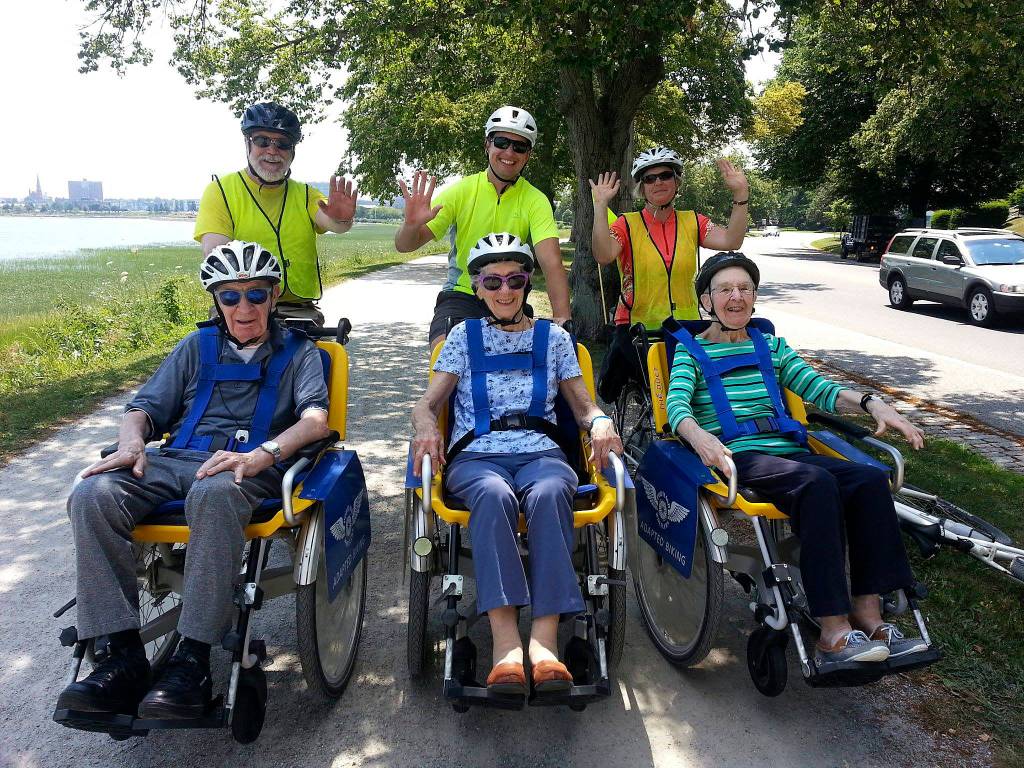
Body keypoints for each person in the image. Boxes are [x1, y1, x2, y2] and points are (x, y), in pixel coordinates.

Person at [56, 241, 331, 720]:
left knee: (214, 491)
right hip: (176, 458)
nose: (244, 307)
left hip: (248, 469)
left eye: (255, 294)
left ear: (274, 294)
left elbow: (315, 421)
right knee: (92, 494)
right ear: (215, 300)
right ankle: (120, 656)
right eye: (230, 296)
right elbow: (142, 409)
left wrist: (263, 455)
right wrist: (131, 443)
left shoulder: (302, 354)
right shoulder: (194, 348)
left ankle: (193, 659)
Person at [665, 251, 929, 668]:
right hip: (739, 457)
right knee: (817, 484)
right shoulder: (690, 352)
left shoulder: (770, 346)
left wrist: (872, 403)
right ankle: (832, 629)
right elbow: (677, 409)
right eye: (725, 290)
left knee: (869, 480)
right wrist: (702, 441)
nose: (736, 298)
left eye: (745, 289)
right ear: (706, 301)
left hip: (790, 454)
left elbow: (819, 388)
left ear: (754, 297)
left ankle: (869, 611)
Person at [411, 233, 622, 693]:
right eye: (492, 281)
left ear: (528, 283)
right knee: (492, 494)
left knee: (550, 492)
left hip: (542, 453)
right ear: (478, 287)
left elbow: (584, 406)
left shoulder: (556, 339)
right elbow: (428, 404)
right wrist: (426, 425)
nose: (505, 291)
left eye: (515, 279)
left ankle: (543, 640)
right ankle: (505, 641)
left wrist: (602, 422)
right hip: (478, 456)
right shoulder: (462, 338)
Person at [394, 106, 570, 348]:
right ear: (487, 144)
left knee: (532, 370)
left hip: (510, 296)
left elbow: (552, 264)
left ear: (528, 155)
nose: (510, 152)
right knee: (445, 356)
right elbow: (405, 246)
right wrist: (411, 225)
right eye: (502, 142)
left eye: (520, 147)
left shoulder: (535, 200)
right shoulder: (461, 191)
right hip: (461, 296)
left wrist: (564, 320)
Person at [589, 147, 750, 402]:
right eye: (649, 178)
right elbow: (603, 254)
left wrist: (740, 194)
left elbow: (733, 239)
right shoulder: (626, 224)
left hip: (686, 326)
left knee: (700, 396)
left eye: (665, 175)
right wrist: (600, 206)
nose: (658, 182)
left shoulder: (692, 221)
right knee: (663, 400)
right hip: (638, 327)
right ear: (642, 188)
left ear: (676, 181)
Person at [195, 102, 359, 324]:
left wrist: (341, 217)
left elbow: (334, 223)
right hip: (241, 308)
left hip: (298, 311)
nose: (272, 151)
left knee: (320, 358)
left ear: (292, 151)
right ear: (247, 144)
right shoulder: (221, 191)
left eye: (283, 144)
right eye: (262, 141)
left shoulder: (305, 194)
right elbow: (215, 252)